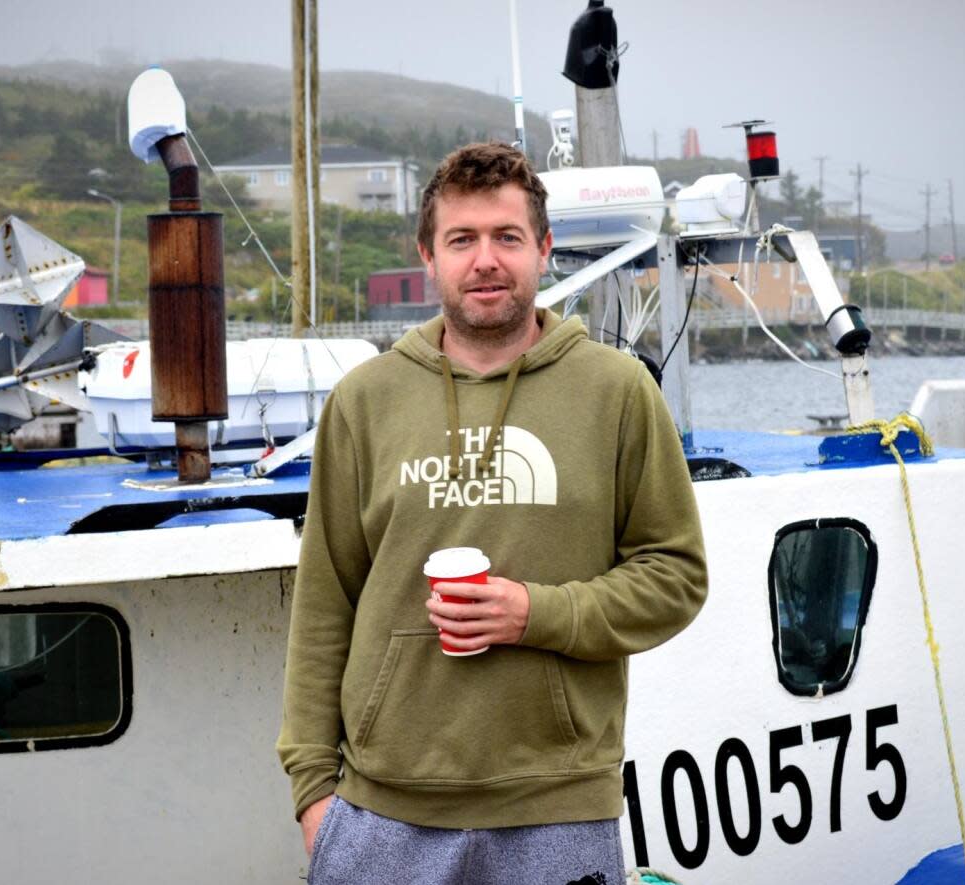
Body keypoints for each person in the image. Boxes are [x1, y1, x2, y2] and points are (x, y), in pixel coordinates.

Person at [278, 142, 707, 885]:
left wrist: (534, 612)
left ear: (543, 249)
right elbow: (324, 603)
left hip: (559, 807)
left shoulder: (617, 392)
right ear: (427, 255)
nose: (485, 260)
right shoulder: (364, 402)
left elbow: (675, 574)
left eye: (507, 237)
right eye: (462, 239)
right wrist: (315, 793)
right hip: (380, 815)